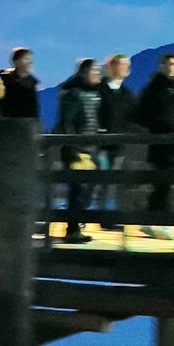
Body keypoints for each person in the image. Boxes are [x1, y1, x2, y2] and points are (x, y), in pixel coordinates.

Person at [134, 52, 174, 235]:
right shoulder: (152, 90)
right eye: (171, 64)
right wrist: (158, 127)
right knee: (163, 181)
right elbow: (142, 116)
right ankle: (158, 220)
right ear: (162, 66)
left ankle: (157, 219)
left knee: (168, 182)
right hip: (160, 144)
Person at [54, 59, 104, 242]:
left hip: (91, 147)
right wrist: (73, 148)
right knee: (78, 190)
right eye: (94, 71)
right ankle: (73, 229)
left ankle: (76, 226)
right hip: (78, 149)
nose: (98, 74)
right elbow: (67, 121)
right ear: (84, 73)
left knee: (86, 190)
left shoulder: (94, 92)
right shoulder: (73, 93)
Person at [96, 54, 136, 226]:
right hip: (101, 144)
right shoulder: (99, 91)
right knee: (103, 180)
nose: (126, 68)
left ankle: (111, 216)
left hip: (119, 144)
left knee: (116, 180)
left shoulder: (127, 94)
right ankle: (101, 216)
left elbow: (134, 118)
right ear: (112, 66)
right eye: (122, 64)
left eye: (128, 65)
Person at [0, 47, 41, 120]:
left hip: (25, 124)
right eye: (26, 59)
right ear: (16, 61)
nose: (30, 62)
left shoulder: (32, 84)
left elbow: (34, 110)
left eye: (30, 59)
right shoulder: (3, 79)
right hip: (5, 122)